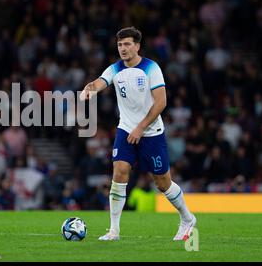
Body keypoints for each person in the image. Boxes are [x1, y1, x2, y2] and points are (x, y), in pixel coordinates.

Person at [80, 27, 196, 241]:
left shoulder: (151, 68)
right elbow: (99, 82)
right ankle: (114, 230)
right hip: (125, 129)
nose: (122, 48)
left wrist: (141, 127)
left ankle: (187, 218)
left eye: (127, 44)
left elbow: (161, 102)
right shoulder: (115, 69)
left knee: (162, 183)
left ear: (137, 46)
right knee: (120, 171)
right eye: (119, 45)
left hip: (151, 132)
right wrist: (89, 88)